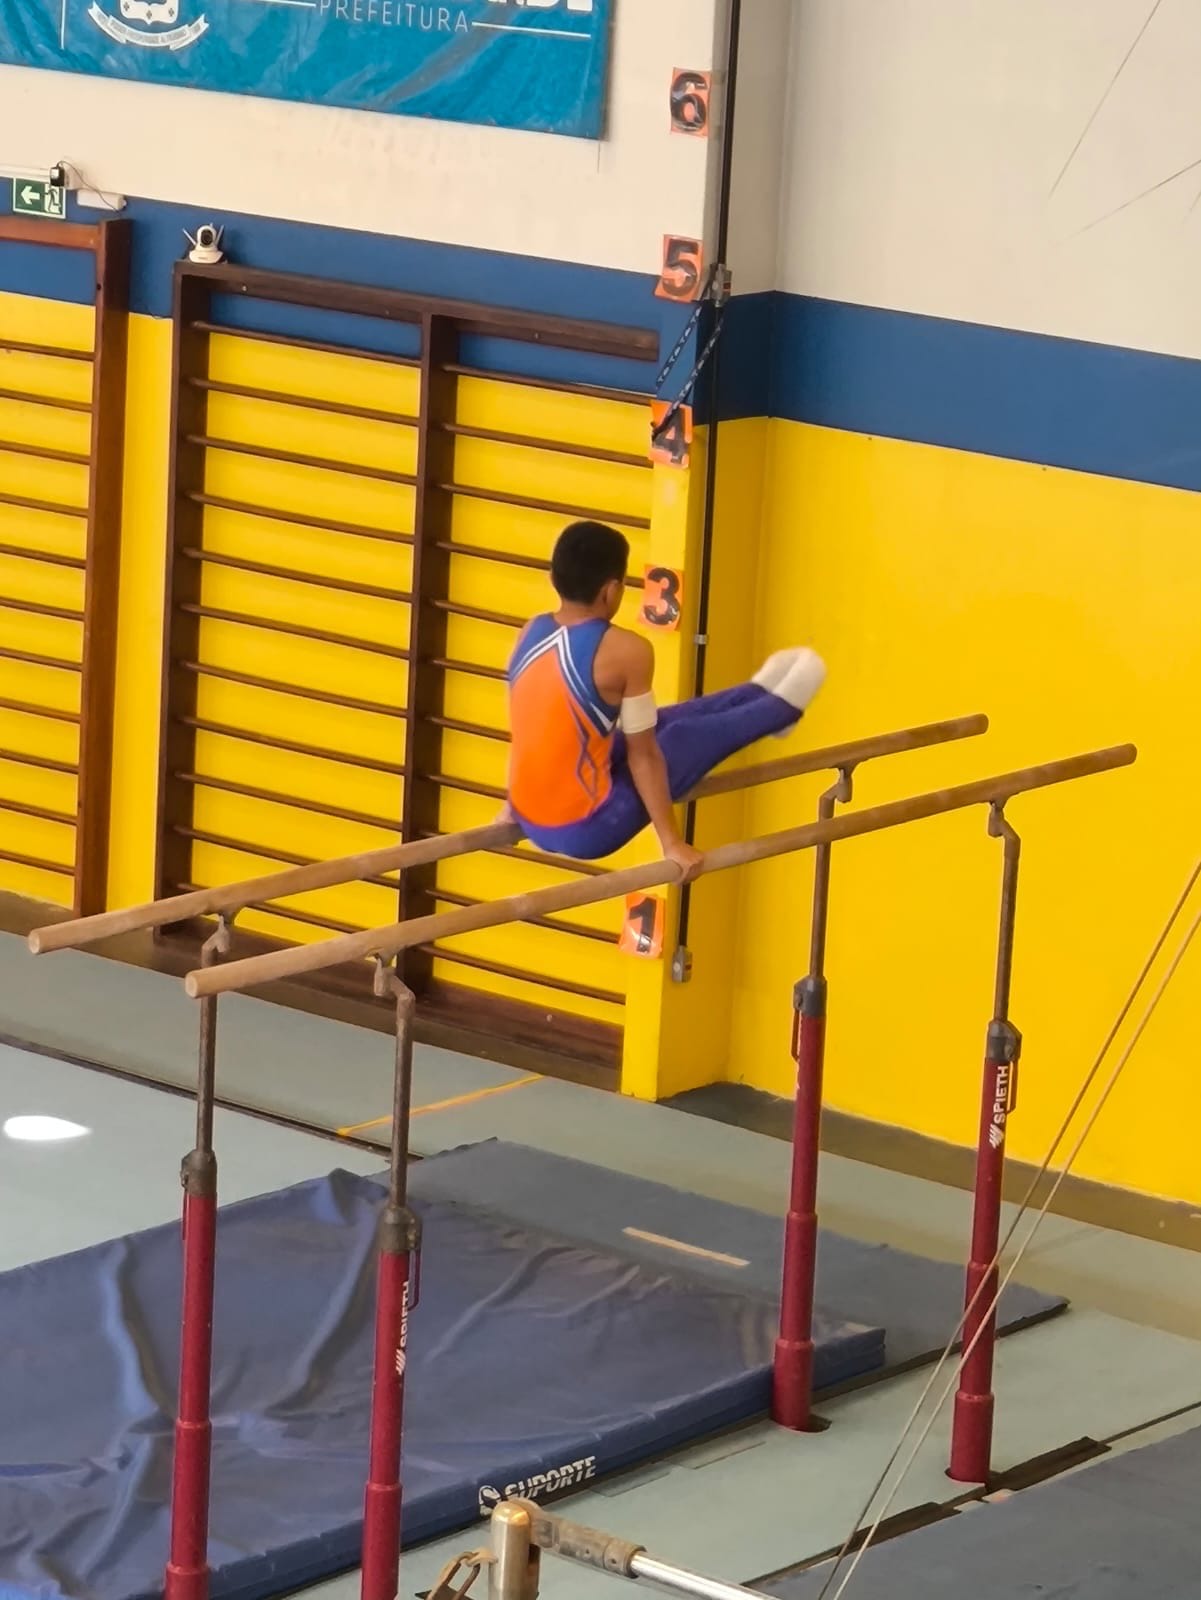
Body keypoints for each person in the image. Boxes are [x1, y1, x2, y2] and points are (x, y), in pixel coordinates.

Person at [501, 520, 826, 882]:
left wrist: (513, 806)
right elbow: (645, 757)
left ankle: (757, 695)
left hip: (530, 815)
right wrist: (671, 844)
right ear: (611, 591)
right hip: (589, 828)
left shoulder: (531, 631)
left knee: (663, 722)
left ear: (553, 578)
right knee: (677, 738)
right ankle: (780, 708)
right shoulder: (627, 650)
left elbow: (530, 727)